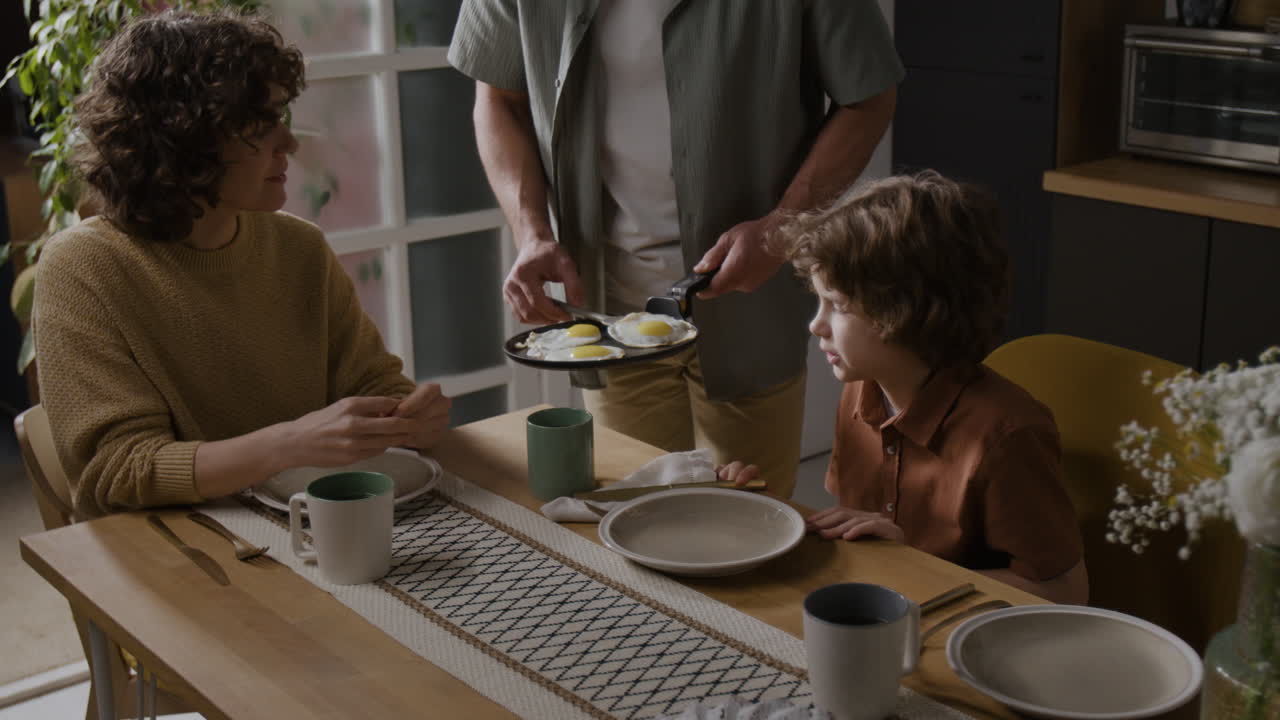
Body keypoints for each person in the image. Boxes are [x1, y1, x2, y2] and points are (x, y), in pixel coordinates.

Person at [448, 1, 904, 497]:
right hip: (608, 309)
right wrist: (531, 231)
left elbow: (869, 96)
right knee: (632, 515)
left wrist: (780, 229)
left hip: (752, 302)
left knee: (748, 530)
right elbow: (498, 97)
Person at [33, 10, 452, 519]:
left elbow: (374, 387)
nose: (290, 143)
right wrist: (289, 444)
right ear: (183, 137)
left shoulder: (301, 249)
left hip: (304, 529)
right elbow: (118, 469)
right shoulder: (83, 269)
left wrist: (408, 417)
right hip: (171, 556)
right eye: (262, 123)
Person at [718, 172, 1089, 604]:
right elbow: (855, 532)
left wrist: (910, 560)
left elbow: (1065, 593)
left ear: (907, 311)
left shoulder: (1008, 436)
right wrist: (752, 508)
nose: (816, 325)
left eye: (837, 305)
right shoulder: (863, 390)